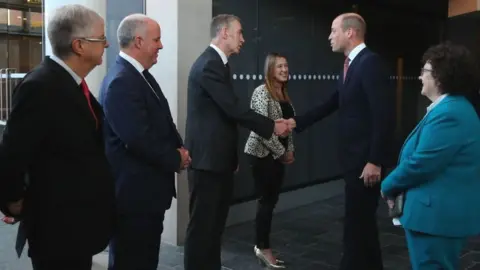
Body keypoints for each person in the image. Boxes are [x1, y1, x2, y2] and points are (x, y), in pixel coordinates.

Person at [0, 4, 114, 270]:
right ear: (79, 45)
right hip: (57, 229)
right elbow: (12, 154)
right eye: (101, 38)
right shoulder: (40, 86)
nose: (107, 44)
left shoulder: (72, 83)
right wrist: (13, 201)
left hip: (78, 225)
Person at [284, 13, 395, 270]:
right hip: (353, 160)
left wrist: (375, 161)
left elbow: (384, 116)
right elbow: (333, 102)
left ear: (350, 33)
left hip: (365, 162)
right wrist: (297, 123)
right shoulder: (351, 65)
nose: (329, 36)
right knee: (361, 225)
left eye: (333, 30)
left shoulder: (370, 63)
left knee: (358, 224)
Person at [184, 14, 290, 270]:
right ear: (223, 33)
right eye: (239, 33)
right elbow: (232, 108)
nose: (243, 38)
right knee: (203, 230)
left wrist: (230, 158)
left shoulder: (220, 65)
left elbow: (222, 118)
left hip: (217, 160)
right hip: (207, 162)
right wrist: (271, 126)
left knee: (213, 229)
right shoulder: (209, 64)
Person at [99, 14, 190, 270]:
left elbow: (161, 121)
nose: (161, 45)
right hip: (133, 199)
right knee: (132, 261)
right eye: (157, 39)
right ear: (138, 41)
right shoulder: (121, 81)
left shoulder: (139, 75)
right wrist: (175, 157)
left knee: (145, 259)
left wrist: (178, 147)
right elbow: (138, 138)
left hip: (146, 197)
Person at [381, 42, 480, 270]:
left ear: (440, 76)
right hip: (437, 217)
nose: (419, 77)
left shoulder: (450, 113)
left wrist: (387, 185)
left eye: (424, 71)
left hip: (435, 220)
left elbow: (421, 164)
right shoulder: (451, 108)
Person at [244, 52, 294, 268]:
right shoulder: (261, 92)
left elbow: (288, 126)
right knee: (266, 203)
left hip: (276, 155)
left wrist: (289, 149)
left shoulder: (283, 93)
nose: (284, 70)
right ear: (270, 69)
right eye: (279, 66)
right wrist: (280, 152)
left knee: (270, 202)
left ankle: (264, 246)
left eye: (286, 66)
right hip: (261, 154)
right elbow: (261, 130)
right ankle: (262, 248)